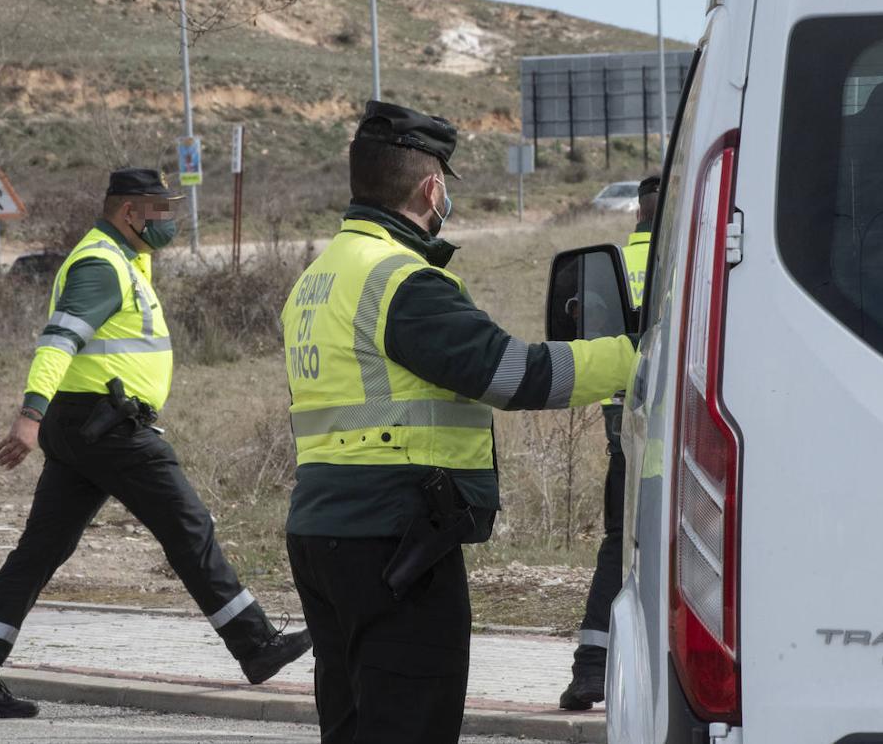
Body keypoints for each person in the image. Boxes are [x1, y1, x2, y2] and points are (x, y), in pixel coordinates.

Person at [280, 101, 638, 743]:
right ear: (431, 187)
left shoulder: (319, 276)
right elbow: (516, 375)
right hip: (394, 540)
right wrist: (638, 356)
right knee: (412, 724)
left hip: (323, 530)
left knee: (354, 723)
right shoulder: (402, 282)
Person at [0, 168, 311, 719]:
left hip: (88, 426)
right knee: (189, 527)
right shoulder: (101, 263)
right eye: (159, 210)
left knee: (41, 551)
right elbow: (59, 340)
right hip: (110, 425)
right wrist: (29, 415)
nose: (169, 221)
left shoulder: (128, 259)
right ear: (128, 212)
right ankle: (256, 645)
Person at [559, 174, 659, 711]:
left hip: (624, 429)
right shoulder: (695, 258)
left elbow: (587, 347)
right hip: (691, 431)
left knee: (619, 545)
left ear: (637, 215)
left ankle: (591, 669)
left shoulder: (612, 268)